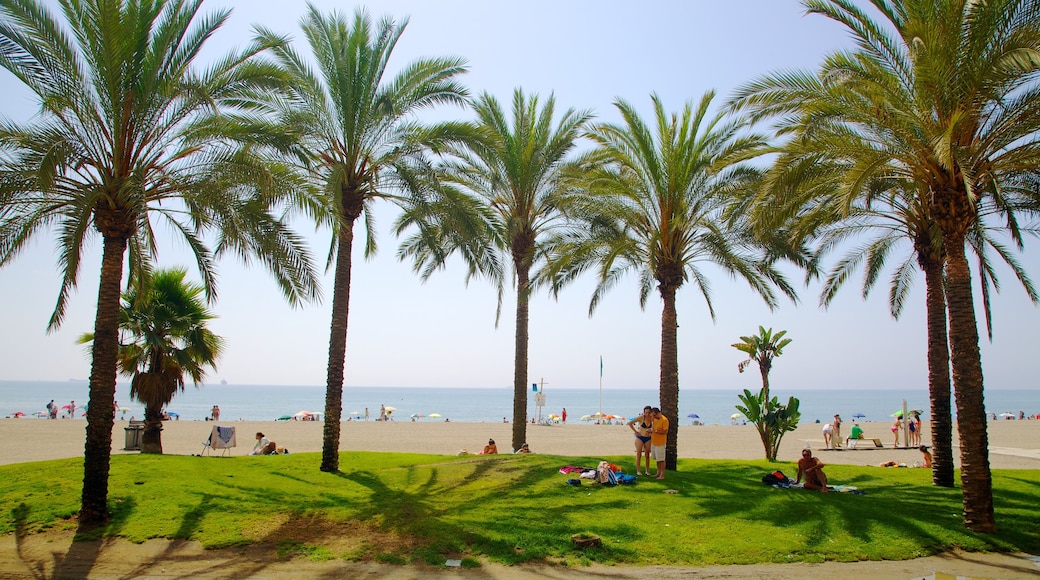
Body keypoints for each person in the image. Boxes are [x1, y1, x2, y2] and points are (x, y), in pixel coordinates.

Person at [627, 405, 654, 475]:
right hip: (640, 437)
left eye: (648, 413)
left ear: (651, 412)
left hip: (648, 438)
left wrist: (651, 430)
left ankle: (647, 470)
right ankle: (638, 470)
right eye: (646, 413)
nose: (647, 414)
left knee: (647, 454)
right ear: (644, 412)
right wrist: (636, 431)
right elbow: (630, 423)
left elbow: (655, 427)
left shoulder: (652, 418)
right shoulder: (641, 418)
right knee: (639, 453)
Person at [649, 407, 669, 480]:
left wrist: (656, 431)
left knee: (661, 459)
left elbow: (665, 431)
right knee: (657, 459)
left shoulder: (664, 420)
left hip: (660, 443)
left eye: (654, 415)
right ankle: (658, 472)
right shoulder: (654, 419)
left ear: (658, 413)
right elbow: (653, 428)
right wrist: (651, 430)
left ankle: (662, 474)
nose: (653, 417)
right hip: (654, 441)